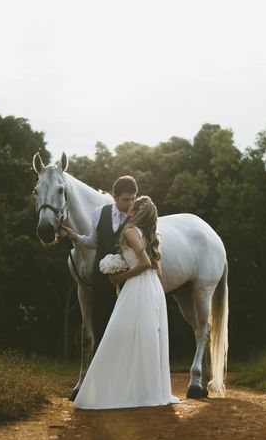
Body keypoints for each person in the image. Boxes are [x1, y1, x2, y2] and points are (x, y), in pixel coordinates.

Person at [73, 196, 180, 410]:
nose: (129, 206)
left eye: (133, 204)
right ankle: (142, 388)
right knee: (143, 337)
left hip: (138, 286)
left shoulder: (131, 231)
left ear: (136, 211)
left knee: (118, 335)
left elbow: (146, 263)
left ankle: (117, 388)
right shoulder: (146, 233)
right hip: (150, 286)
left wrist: (121, 276)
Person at [61, 175, 137, 351]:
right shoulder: (99, 213)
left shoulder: (137, 217)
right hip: (100, 278)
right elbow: (94, 242)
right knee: (101, 327)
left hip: (127, 282)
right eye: (126, 199)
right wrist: (75, 237)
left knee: (123, 330)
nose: (131, 203)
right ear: (115, 197)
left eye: (133, 199)